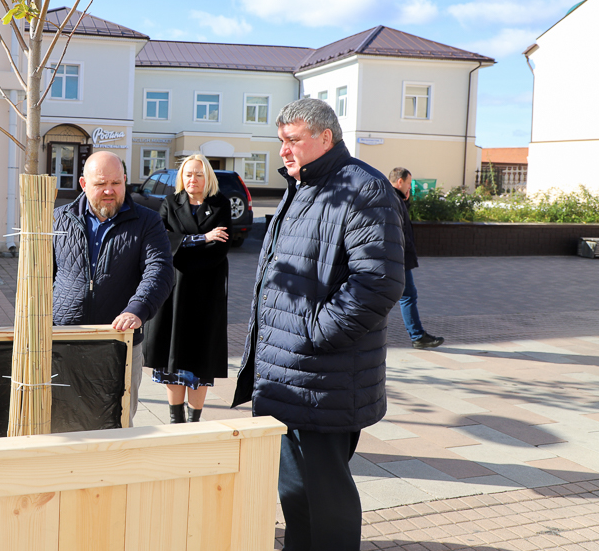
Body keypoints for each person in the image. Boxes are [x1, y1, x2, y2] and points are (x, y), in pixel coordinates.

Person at [232, 99, 405, 551]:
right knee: (295, 496)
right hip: (285, 376)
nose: (283, 151)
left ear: (325, 138)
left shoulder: (361, 188)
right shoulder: (302, 186)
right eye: (281, 142)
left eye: (292, 141)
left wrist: (314, 335)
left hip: (323, 376)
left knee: (327, 503)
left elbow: (378, 282)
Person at [52, 150, 173, 426]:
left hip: (119, 344)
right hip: (64, 343)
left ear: (125, 181)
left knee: (115, 426)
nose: (109, 190)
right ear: (83, 184)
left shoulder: (147, 222)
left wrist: (137, 309)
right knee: (62, 423)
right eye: (100, 184)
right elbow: (41, 276)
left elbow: (160, 270)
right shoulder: (57, 220)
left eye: (116, 183)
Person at [143, 154, 231, 423]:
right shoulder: (170, 203)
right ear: (182, 177)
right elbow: (163, 242)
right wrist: (202, 238)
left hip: (207, 291)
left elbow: (220, 248)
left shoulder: (220, 204)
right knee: (174, 353)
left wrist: (183, 248)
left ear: (208, 178)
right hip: (175, 291)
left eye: (199, 174)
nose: (193, 179)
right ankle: (175, 419)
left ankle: (195, 420)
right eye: (189, 174)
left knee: (201, 354)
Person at [389, 167, 444, 349]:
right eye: (409, 183)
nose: (410, 188)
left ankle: (417, 335)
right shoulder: (393, 200)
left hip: (396, 258)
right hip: (398, 258)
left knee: (401, 296)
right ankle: (417, 336)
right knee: (407, 296)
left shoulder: (392, 198)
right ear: (400, 182)